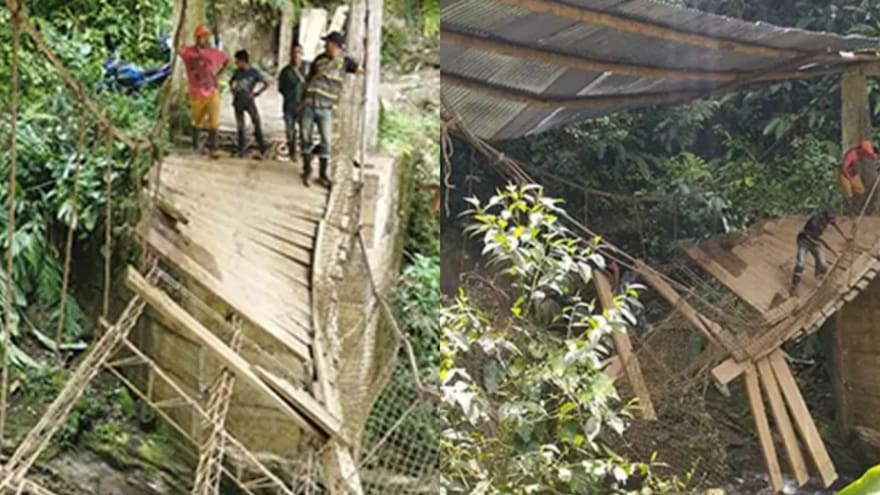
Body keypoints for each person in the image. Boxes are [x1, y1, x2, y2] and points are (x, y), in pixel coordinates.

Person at [298, 31, 364, 188]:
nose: (325, 45)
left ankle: (322, 174)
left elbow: (361, 71)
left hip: (326, 107)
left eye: (327, 43)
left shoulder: (346, 62)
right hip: (309, 103)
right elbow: (308, 80)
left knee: (326, 141)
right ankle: (307, 170)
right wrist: (301, 100)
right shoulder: (319, 60)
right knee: (305, 138)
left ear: (335, 45)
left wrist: (366, 49)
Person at [179, 25, 229, 158]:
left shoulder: (213, 52)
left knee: (214, 121)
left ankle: (213, 148)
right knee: (196, 120)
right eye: (202, 37)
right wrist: (181, 32)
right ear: (197, 38)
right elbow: (177, 48)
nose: (205, 39)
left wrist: (218, 76)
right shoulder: (189, 52)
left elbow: (227, 60)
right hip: (196, 92)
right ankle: (195, 147)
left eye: (207, 36)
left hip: (212, 90)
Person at [790, 210, 849, 296]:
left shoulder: (826, 219)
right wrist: (833, 251)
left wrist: (845, 237)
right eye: (828, 221)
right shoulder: (814, 222)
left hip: (815, 242)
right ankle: (794, 286)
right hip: (804, 240)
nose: (829, 224)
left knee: (823, 264)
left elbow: (835, 225)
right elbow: (821, 240)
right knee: (800, 263)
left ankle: (818, 277)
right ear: (823, 219)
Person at [229, 49, 269, 158]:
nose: (236, 63)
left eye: (237, 61)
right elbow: (231, 83)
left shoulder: (253, 72)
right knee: (240, 126)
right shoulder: (237, 72)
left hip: (249, 101)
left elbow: (266, 83)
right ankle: (241, 149)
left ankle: (262, 147)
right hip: (238, 101)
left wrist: (257, 93)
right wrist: (233, 91)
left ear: (243, 61)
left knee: (256, 122)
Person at [278, 43, 306, 161]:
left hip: (304, 105)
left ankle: (305, 155)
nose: (296, 55)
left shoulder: (306, 69)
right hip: (289, 105)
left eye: (299, 52)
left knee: (305, 131)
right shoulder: (285, 71)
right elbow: (281, 88)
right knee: (290, 131)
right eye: (294, 52)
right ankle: (292, 153)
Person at [840, 140, 877, 215]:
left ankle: (857, 209)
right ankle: (849, 212)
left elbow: (875, 157)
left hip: (854, 174)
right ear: (860, 149)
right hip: (844, 173)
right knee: (848, 192)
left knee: (860, 191)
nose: (866, 154)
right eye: (865, 152)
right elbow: (844, 167)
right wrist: (849, 179)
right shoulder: (851, 154)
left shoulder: (866, 154)